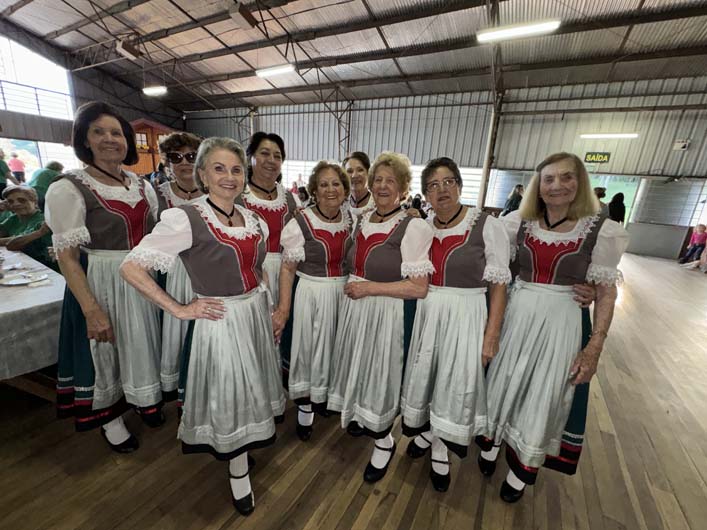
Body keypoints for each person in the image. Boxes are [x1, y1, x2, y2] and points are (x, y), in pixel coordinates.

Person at [120, 137, 285, 516]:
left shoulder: (252, 219)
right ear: (203, 175)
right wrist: (179, 309)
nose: (229, 176)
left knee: (252, 387)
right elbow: (131, 267)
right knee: (230, 392)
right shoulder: (187, 218)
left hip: (254, 315)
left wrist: (268, 308)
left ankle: (243, 447)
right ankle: (238, 469)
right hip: (220, 319)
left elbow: (256, 270)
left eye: (236, 169)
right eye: (219, 168)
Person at [479, 152, 629, 503]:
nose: (557, 185)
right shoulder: (519, 222)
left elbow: (607, 292)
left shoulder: (600, 230)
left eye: (566, 177)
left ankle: (521, 468)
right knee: (503, 378)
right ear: (538, 186)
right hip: (518, 313)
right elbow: (493, 261)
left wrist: (595, 346)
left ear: (580, 183)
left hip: (563, 320)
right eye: (548, 179)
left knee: (543, 389)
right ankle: (492, 442)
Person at [44, 101, 163, 453]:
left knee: (142, 343)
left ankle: (143, 398)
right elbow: (67, 257)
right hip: (101, 278)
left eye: (116, 133)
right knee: (106, 348)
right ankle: (110, 419)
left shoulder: (142, 185)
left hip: (142, 277)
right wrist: (91, 309)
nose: (110, 139)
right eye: (98, 132)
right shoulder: (68, 188)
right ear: (84, 140)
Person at [400, 157, 511, 492]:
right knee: (429, 377)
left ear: (460, 186)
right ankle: (429, 432)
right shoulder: (422, 228)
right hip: (429, 312)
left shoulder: (487, 225)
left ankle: (439, 449)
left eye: (448, 182)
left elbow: (499, 285)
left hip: (467, 313)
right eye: (433, 185)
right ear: (426, 195)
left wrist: (491, 334)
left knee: (453, 382)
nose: (442, 190)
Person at [328, 152, 434, 484]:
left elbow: (418, 287)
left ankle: (384, 440)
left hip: (386, 311)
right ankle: (361, 416)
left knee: (380, 374)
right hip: (357, 308)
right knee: (358, 367)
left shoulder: (414, 226)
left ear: (403, 188)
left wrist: (369, 288)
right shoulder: (362, 219)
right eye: (378, 180)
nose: (383, 186)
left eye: (391, 181)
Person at [273, 161, 351, 441]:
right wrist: (284, 308)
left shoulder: (353, 220)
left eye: (336, 184)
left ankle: (326, 397)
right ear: (314, 191)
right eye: (324, 184)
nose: (331, 189)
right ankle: (306, 409)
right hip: (311, 294)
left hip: (343, 295)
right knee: (309, 350)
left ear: (345, 189)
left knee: (333, 350)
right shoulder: (300, 222)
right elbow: (287, 269)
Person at [236, 132, 298, 371]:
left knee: (280, 329)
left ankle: (275, 380)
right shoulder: (238, 196)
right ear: (250, 157)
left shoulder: (290, 199)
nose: (271, 160)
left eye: (277, 156)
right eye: (264, 153)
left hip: (284, 273)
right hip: (249, 273)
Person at [154, 132, 204, 399]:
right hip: (173, 272)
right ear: (167, 162)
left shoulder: (214, 192)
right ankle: (177, 382)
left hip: (208, 272)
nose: (184, 162)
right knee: (175, 325)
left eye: (191, 156)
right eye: (176, 157)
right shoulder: (157, 195)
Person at [0, 185, 54, 269]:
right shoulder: (14, 218)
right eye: (10, 201)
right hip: (21, 263)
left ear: (34, 202)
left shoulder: (42, 220)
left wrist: (37, 233)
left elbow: (13, 244)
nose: (16, 204)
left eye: (22, 200)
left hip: (44, 266)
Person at [343, 152, 375, 216]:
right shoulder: (341, 204)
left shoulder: (377, 204)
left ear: (368, 172)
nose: (354, 175)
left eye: (360, 170)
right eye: (350, 171)